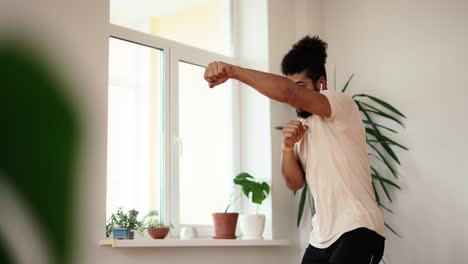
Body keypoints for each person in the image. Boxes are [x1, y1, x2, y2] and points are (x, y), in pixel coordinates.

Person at [204, 35, 385, 264]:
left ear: (321, 84)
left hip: (359, 227)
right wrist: (288, 146)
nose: (294, 99)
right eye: (290, 84)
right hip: (321, 237)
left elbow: (288, 93)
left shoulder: (340, 104)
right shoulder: (302, 129)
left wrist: (232, 71)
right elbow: (294, 182)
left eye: (300, 86)